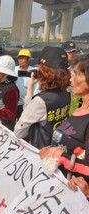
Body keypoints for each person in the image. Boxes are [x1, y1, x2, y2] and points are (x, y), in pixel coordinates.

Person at [38, 54, 89, 200]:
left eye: (77, 74)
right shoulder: (80, 108)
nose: (71, 79)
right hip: (60, 191)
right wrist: (50, 150)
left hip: (77, 199)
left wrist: (60, 156)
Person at [14, 47, 71, 149]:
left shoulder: (40, 101)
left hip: (41, 151)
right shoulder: (66, 94)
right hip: (57, 148)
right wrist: (31, 87)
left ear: (44, 71)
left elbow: (19, 131)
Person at [14, 49, 39, 119]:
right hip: (14, 103)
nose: (21, 60)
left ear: (29, 59)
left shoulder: (33, 72)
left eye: (23, 58)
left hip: (25, 104)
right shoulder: (14, 70)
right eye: (20, 58)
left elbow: (36, 88)